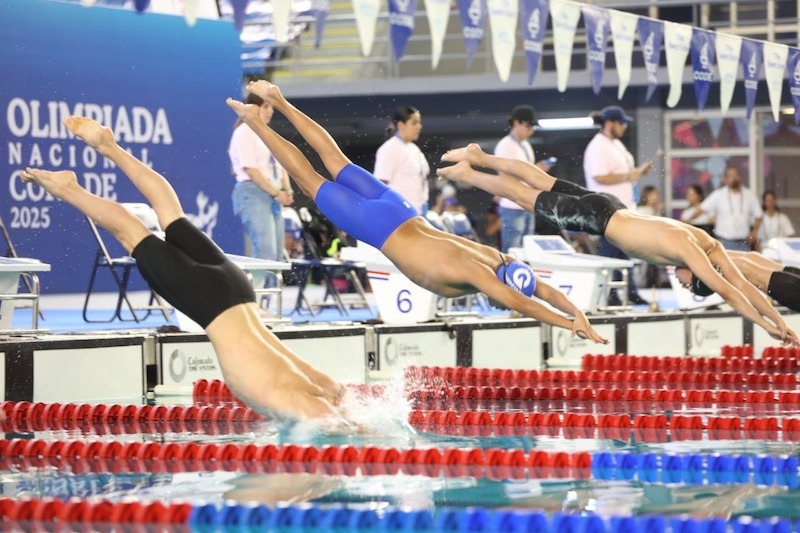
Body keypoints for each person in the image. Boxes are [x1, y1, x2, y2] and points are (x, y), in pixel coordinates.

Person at [226, 81, 608, 344]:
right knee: (308, 178)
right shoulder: (479, 273)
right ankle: (256, 122)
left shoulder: (499, 258)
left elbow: (539, 289)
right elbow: (522, 301)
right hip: (381, 227)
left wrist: (579, 313)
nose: (496, 301)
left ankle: (281, 101)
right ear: (506, 283)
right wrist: (569, 323)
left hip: (402, 209)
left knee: (334, 159)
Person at [22, 117, 346, 423]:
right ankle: (70, 188)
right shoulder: (309, 396)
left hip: (235, 290)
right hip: (217, 301)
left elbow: (334, 394)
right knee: (132, 231)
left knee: (171, 214)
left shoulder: (311, 388)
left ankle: (110, 147)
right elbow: (333, 408)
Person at [437, 143, 798, 345]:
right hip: (599, 220)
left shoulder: (707, 244)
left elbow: (742, 282)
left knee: (541, 180)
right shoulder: (693, 254)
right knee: (524, 196)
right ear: (698, 274)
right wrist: (766, 326)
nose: (679, 278)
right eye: (686, 282)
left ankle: (481, 156)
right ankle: (470, 172)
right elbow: (730, 291)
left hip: (612, 207)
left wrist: (774, 319)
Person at [583, 105, 653, 305]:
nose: (624, 127)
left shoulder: (616, 144)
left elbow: (625, 173)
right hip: (607, 208)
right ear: (609, 123)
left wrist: (637, 172)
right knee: (611, 252)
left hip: (624, 208)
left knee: (626, 250)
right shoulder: (598, 146)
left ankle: (629, 290)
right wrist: (627, 175)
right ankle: (609, 294)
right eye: (621, 123)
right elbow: (599, 176)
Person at [228, 93, 294, 287]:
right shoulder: (244, 132)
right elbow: (251, 170)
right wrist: (276, 193)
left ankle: (265, 302)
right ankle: (252, 302)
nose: (271, 111)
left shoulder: (266, 132)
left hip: (273, 194)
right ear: (253, 108)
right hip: (253, 192)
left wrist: (287, 190)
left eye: (271, 107)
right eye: (266, 106)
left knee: (275, 256)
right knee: (263, 252)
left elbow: (280, 164)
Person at [495, 105, 553, 252]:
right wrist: (535, 171)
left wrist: (535, 169)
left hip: (527, 202)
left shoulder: (525, 145)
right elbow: (505, 174)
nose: (531, 130)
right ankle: (508, 276)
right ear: (516, 123)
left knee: (528, 250)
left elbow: (524, 171)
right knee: (513, 250)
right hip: (512, 203)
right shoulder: (505, 145)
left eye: (533, 126)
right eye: (528, 125)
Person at [677, 251, 800, 313]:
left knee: (752, 273)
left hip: (788, 286)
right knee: (749, 267)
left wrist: (774, 322)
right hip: (790, 277)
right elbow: (749, 258)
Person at [373, 106, 430, 213]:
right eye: (414, 123)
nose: (419, 126)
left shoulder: (414, 149)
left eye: (419, 123)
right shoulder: (390, 148)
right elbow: (379, 185)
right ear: (401, 125)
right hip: (398, 212)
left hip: (417, 209)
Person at [700, 165, 762, 251]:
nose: (734, 178)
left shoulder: (749, 195)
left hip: (743, 242)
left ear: (740, 177)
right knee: (724, 264)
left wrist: (754, 232)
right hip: (724, 241)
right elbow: (702, 208)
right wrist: (686, 220)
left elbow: (758, 215)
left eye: (736, 175)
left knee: (744, 264)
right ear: (725, 179)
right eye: (730, 175)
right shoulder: (719, 194)